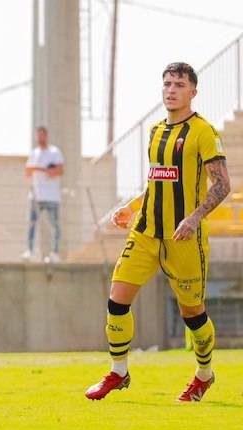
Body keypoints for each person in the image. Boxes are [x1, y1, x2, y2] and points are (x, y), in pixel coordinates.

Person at [85, 62, 230, 403]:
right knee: (117, 299)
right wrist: (132, 206)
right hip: (146, 232)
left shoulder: (203, 132)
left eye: (179, 84)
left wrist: (194, 218)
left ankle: (204, 375)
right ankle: (118, 372)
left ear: (193, 92)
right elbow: (157, 180)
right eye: (167, 83)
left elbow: (222, 185)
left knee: (192, 312)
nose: (171, 89)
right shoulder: (155, 131)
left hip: (184, 239)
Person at [21, 126, 64, 263]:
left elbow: (58, 170)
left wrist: (39, 169)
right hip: (36, 196)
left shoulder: (54, 152)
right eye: (38, 135)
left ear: (46, 136)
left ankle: (55, 253)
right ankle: (30, 250)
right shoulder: (34, 153)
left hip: (51, 196)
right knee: (32, 224)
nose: (40, 138)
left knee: (54, 225)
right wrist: (43, 170)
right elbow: (27, 172)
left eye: (42, 135)